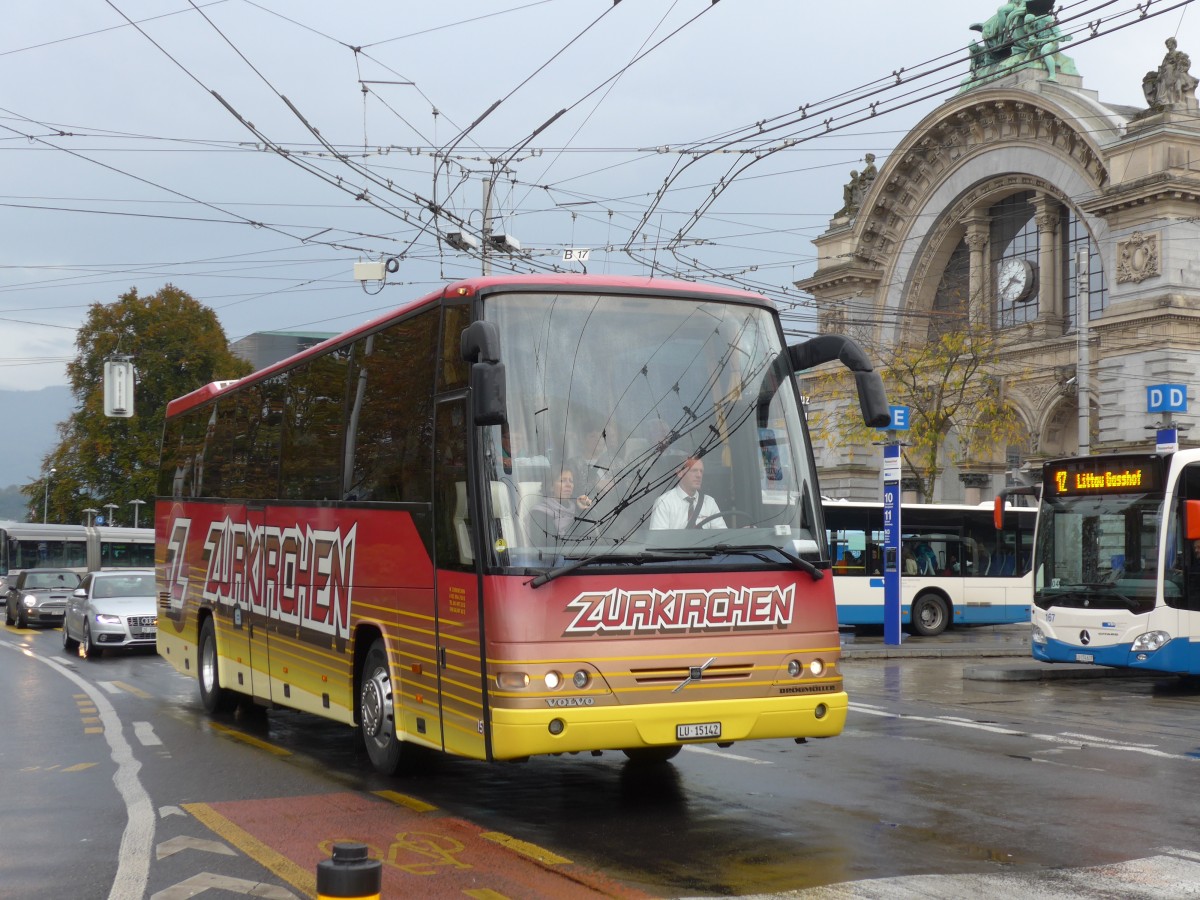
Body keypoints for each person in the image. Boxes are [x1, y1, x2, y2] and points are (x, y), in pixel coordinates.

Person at [649, 455, 726, 530]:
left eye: (701, 471)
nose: (699, 475)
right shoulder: (664, 502)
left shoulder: (709, 503)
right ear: (680, 473)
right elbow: (658, 540)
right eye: (694, 470)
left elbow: (723, 537)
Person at [528, 466, 592, 540]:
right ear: (551, 486)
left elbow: (590, 539)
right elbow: (549, 548)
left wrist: (582, 511)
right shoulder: (539, 513)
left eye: (571, 481)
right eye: (562, 481)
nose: (568, 485)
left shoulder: (577, 509)